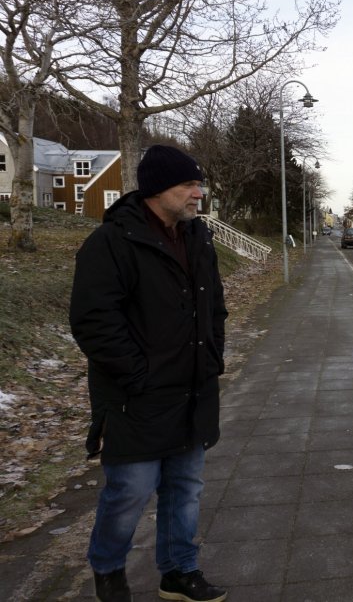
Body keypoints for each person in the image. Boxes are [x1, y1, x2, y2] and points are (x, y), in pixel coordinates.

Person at [69, 145, 228, 602]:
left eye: (199, 184)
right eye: (189, 185)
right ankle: (108, 570)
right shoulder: (112, 242)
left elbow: (214, 306)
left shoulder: (198, 238)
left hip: (193, 390)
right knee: (130, 492)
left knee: (185, 488)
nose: (198, 193)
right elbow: (94, 321)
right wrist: (137, 375)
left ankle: (179, 571)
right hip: (136, 397)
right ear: (158, 190)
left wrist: (212, 358)